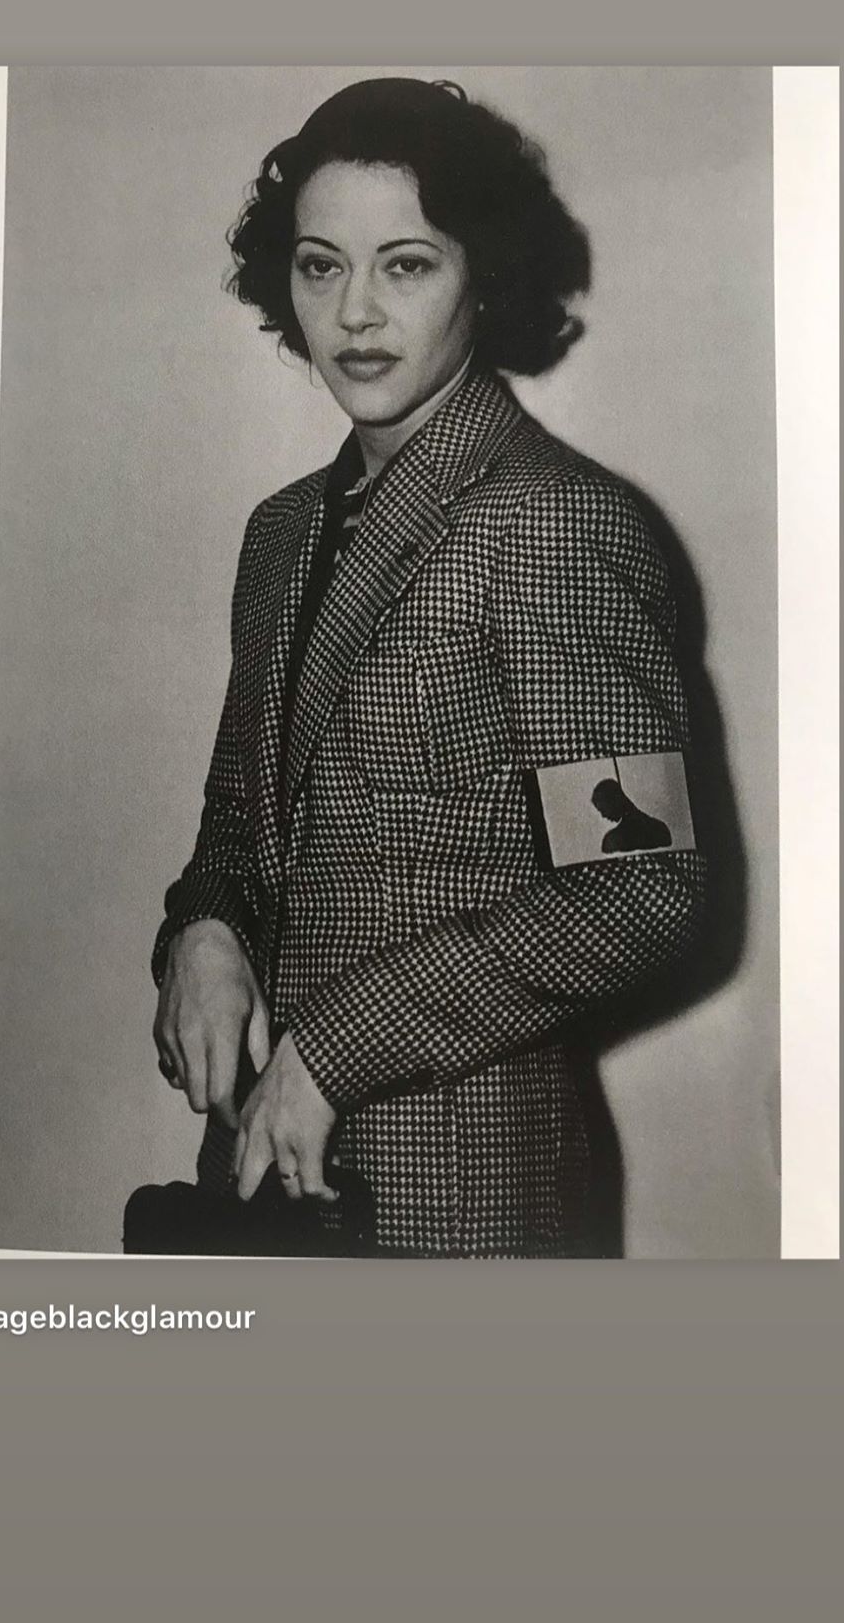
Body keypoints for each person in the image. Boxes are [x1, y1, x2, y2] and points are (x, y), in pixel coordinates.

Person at [150, 77, 706, 1258]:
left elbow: (639, 892)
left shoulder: (552, 522)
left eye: (405, 266)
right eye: (320, 267)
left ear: (483, 276)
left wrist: (337, 1046)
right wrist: (203, 930)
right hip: (259, 1182)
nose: (354, 313)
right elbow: (243, 827)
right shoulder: (281, 534)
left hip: (464, 1202)